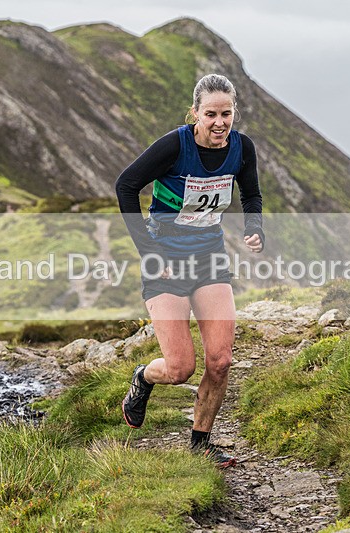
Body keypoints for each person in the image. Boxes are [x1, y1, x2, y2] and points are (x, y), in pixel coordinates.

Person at [115, 73, 264, 468]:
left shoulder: (242, 148)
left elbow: (251, 193)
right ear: (195, 113)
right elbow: (125, 186)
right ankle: (144, 377)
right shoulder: (175, 146)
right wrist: (149, 251)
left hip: (209, 258)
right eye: (211, 114)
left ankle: (201, 444)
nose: (219, 123)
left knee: (221, 361)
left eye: (226, 114)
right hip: (164, 261)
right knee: (180, 368)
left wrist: (254, 227)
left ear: (234, 113)